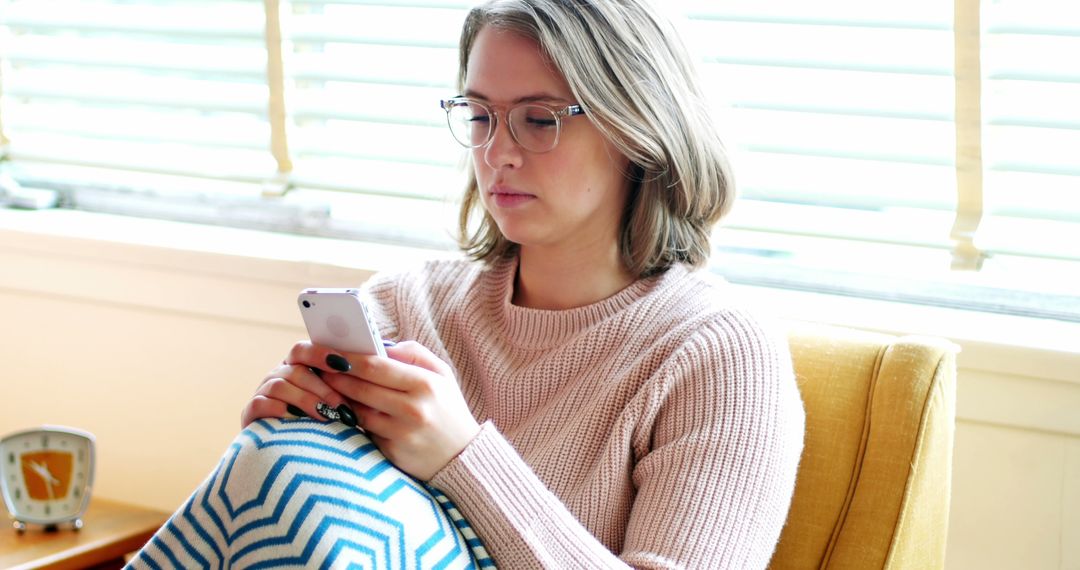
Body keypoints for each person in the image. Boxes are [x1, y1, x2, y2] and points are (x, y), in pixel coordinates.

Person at [130, 0, 804, 568]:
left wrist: (463, 457)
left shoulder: (719, 354)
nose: (497, 152)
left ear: (639, 129)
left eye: (539, 119)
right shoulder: (403, 304)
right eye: (480, 115)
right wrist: (282, 443)